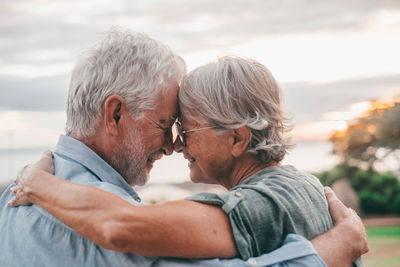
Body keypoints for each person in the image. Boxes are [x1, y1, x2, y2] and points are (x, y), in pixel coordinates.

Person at [5, 43, 367, 267]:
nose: (173, 145)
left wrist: (36, 183)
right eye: (166, 124)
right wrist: (336, 248)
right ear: (115, 114)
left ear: (238, 139)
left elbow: (122, 225)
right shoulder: (303, 185)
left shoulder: (11, 200)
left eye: (183, 130)